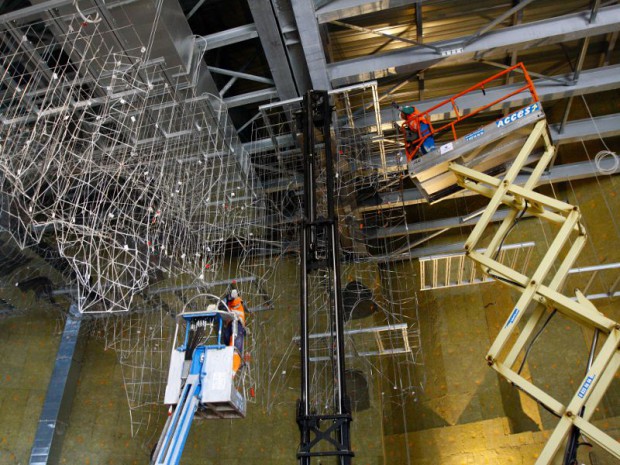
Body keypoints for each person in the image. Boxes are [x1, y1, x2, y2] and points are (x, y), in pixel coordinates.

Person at [223, 288, 246, 376]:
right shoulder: (231, 304)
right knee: (230, 347)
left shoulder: (236, 303)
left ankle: (231, 371)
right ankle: (230, 370)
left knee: (234, 348)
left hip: (236, 324)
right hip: (231, 325)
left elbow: (231, 304)